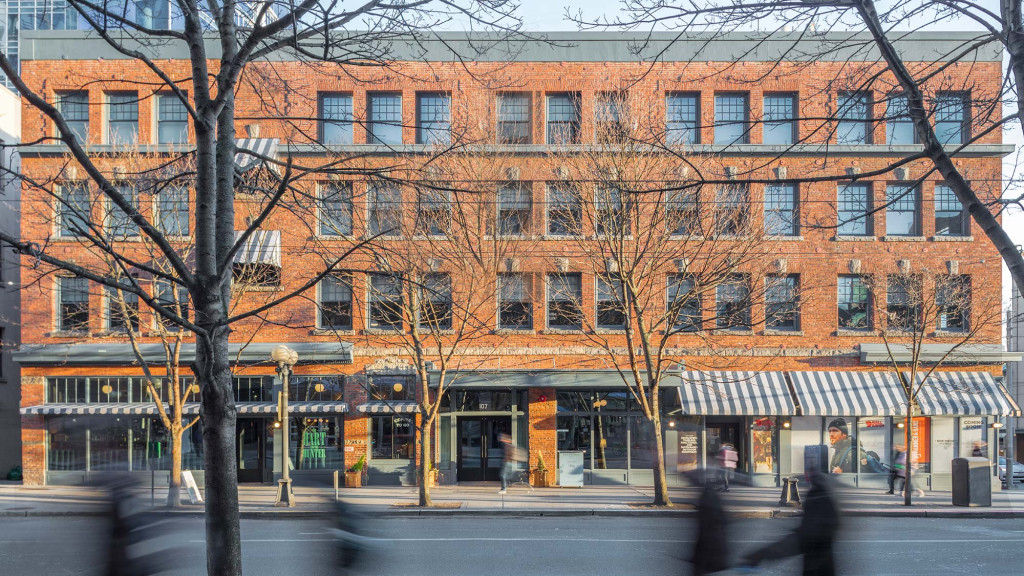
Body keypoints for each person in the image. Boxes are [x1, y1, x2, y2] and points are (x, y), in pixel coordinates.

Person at [740, 468, 841, 576]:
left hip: (815, 569)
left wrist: (760, 555)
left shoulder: (817, 501)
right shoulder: (827, 500)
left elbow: (799, 540)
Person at [685, 470, 730, 576]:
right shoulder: (708, 494)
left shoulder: (708, 496)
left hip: (708, 553)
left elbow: (711, 527)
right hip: (709, 552)